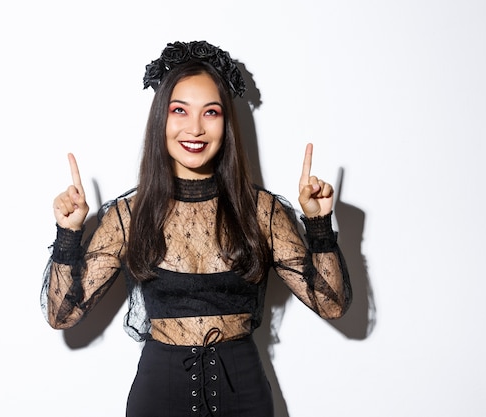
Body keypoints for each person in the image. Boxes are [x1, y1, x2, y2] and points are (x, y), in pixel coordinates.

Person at [41, 40, 352, 417]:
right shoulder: (130, 215)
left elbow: (332, 304)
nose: (195, 128)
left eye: (211, 112)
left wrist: (318, 223)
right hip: (158, 399)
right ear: (162, 120)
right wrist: (68, 234)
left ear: (226, 124)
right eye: (179, 110)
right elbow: (61, 315)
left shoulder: (261, 211)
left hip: (245, 400)